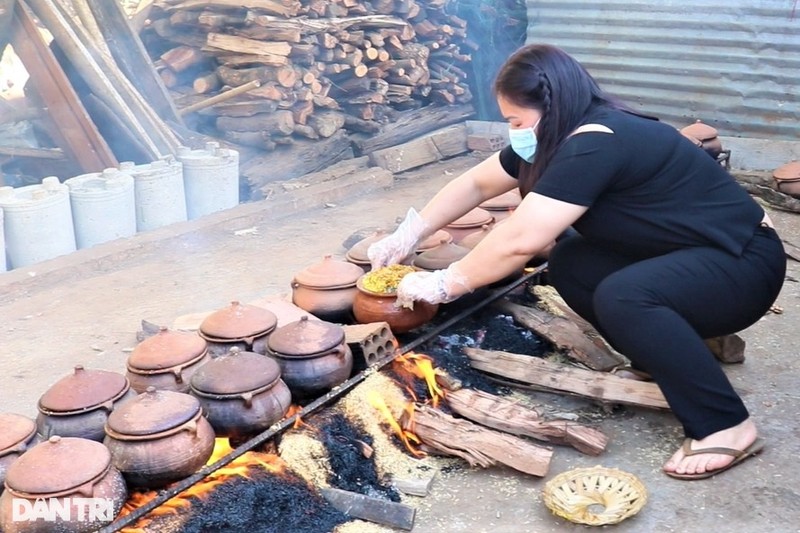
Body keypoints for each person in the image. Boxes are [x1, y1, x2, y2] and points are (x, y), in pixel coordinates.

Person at [367, 44, 786, 480]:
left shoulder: (596, 142)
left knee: (625, 295)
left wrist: (446, 283)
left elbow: (520, 240)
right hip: (690, 256)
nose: (515, 132)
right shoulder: (559, 134)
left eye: (517, 121)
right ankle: (669, 354)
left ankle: (726, 424)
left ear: (552, 108)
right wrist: (408, 233)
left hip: (744, 267)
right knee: (573, 262)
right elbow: (476, 184)